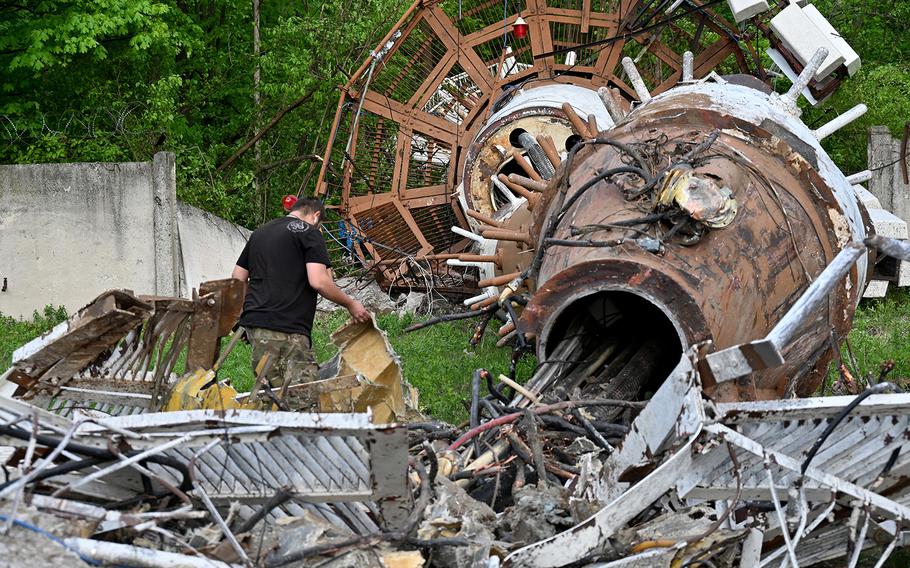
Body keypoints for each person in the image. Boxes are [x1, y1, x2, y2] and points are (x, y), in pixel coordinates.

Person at [231, 197, 370, 404]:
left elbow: (237, 278)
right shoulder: (310, 233)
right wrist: (351, 304)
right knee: (301, 401)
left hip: (255, 327)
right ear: (316, 216)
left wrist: (243, 316)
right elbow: (319, 281)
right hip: (289, 328)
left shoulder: (260, 233)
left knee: (272, 397)